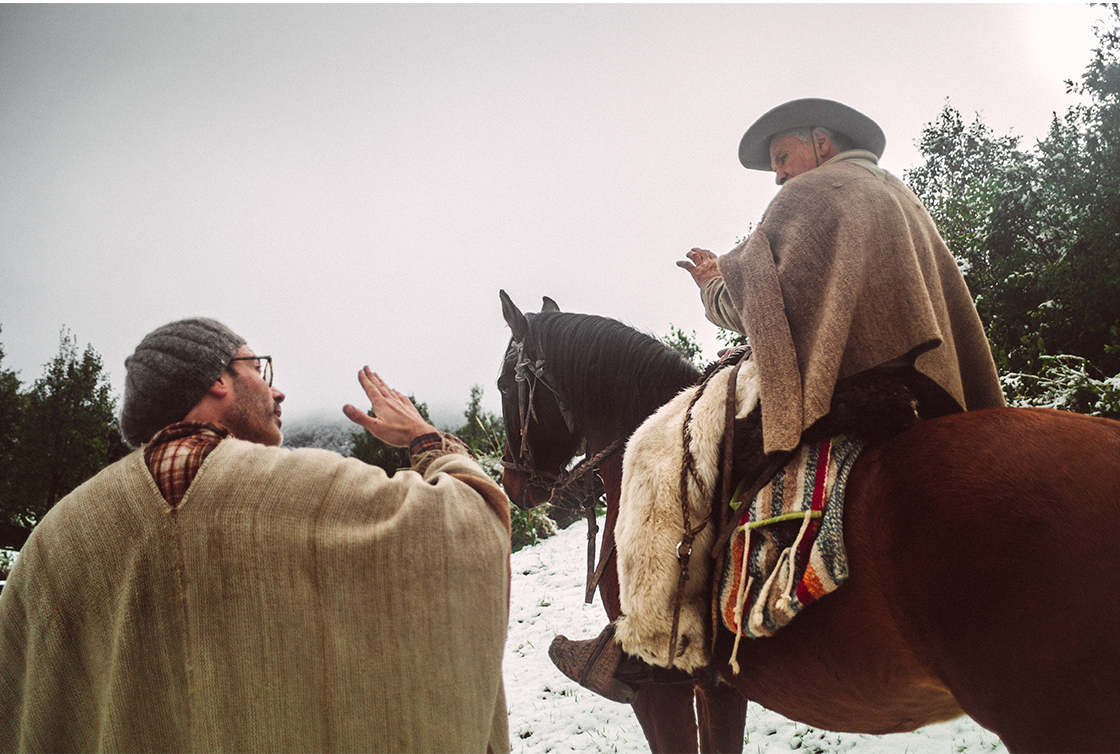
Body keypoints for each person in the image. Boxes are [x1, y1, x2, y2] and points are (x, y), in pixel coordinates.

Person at [549, 98, 1006, 702]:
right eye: (775, 167)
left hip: (842, 381)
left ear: (820, 142)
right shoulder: (895, 193)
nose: (779, 176)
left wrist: (714, 279)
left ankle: (659, 642)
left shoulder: (809, 195)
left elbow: (750, 310)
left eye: (782, 157)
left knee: (661, 450)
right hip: (924, 381)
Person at [0, 317, 512, 753]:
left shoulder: (53, 544)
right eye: (258, 368)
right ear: (217, 380)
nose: (277, 388)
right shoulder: (313, 489)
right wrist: (425, 438)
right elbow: (473, 525)